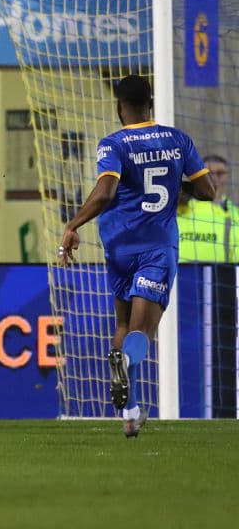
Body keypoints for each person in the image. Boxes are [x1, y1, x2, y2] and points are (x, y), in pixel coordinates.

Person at [57, 75, 215, 438]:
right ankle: (124, 362)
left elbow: (105, 191)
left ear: (119, 107)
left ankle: (129, 415)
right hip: (156, 249)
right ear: (151, 102)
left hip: (118, 248)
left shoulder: (113, 143)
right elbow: (207, 190)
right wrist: (176, 178)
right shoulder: (178, 140)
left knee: (123, 326)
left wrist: (73, 224)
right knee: (143, 332)